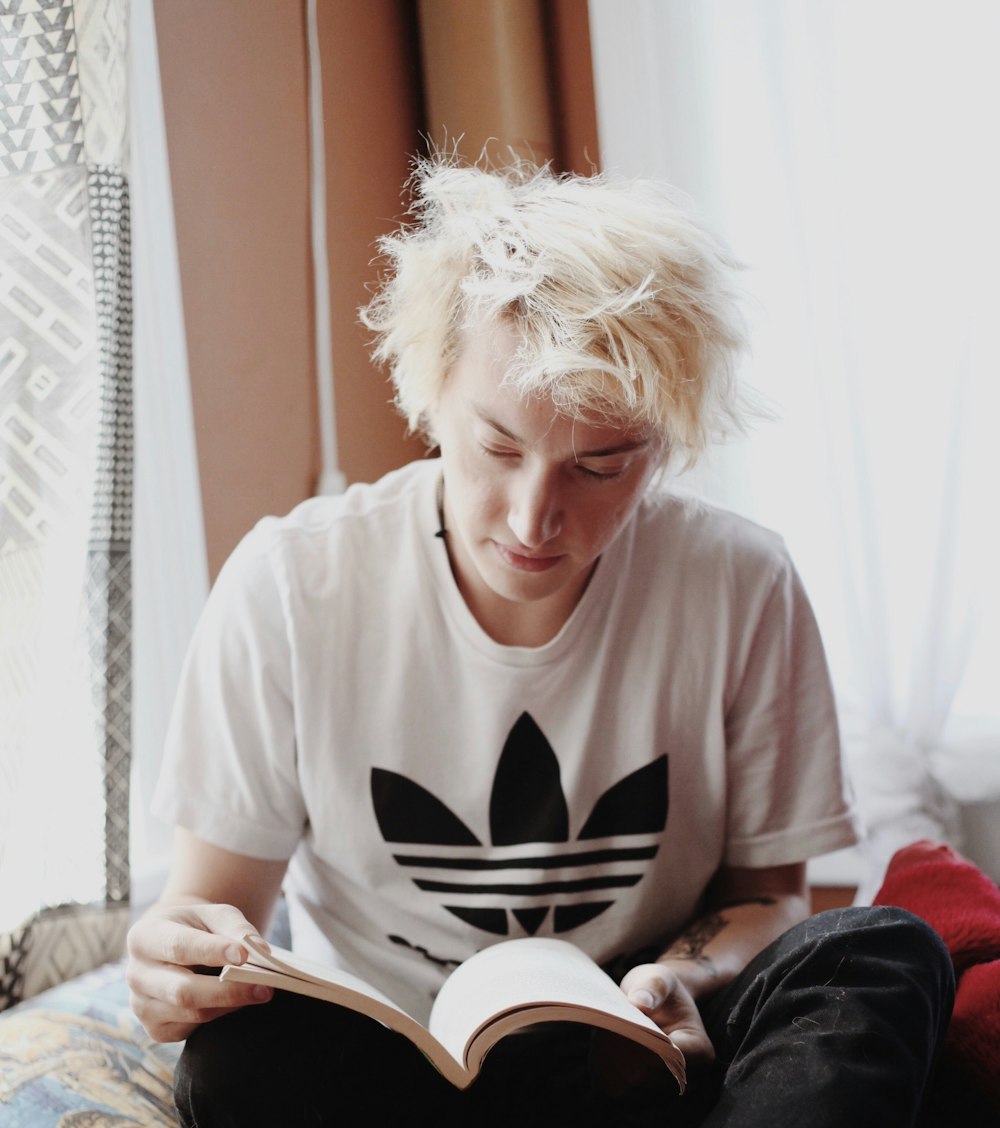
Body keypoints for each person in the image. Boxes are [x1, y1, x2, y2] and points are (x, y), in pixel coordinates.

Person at [127, 156, 954, 1127]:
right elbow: (212, 916)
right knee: (235, 1060)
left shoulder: (738, 582)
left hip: (648, 1062)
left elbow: (770, 902)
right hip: (400, 1077)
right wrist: (172, 969)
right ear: (431, 392)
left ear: (664, 444)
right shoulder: (290, 584)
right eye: (498, 448)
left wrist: (681, 981)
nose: (533, 518)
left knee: (882, 950)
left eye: (600, 466)